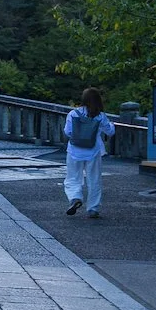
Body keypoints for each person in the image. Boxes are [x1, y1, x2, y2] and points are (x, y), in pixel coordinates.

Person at [63, 87, 113, 218]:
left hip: (74, 150)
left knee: (72, 177)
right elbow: (110, 132)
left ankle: (75, 198)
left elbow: (68, 132)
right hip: (93, 151)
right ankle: (93, 208)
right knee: (94, 179)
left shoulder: (73, 114)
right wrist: (111, 125)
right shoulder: (100, 116)